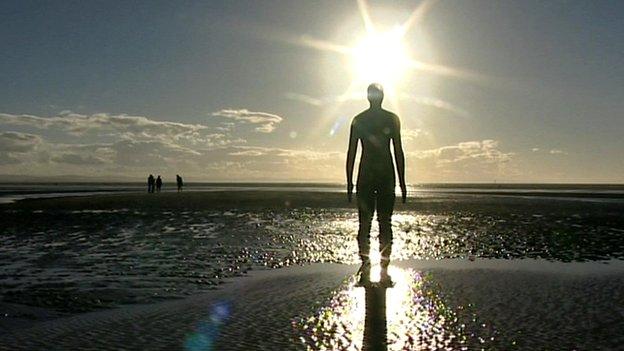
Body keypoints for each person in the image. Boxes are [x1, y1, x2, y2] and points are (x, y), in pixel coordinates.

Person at [346, 83, 406, 286]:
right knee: (380, 223)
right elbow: (352, 152)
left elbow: (397, 149)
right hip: (381, 176)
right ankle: (375, 267)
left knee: (370, 223)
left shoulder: (363, 120)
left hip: (374, 176)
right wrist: (349, 181)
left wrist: (349, 181)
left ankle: (376, 267)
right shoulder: (376, 119)